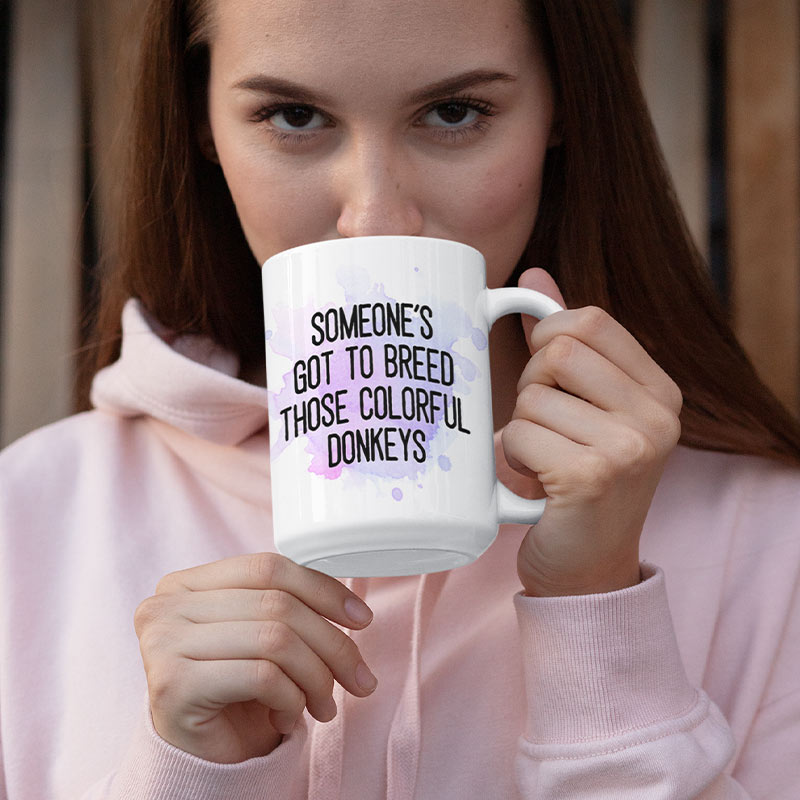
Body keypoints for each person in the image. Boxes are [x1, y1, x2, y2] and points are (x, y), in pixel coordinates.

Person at [1, 0, 799, 797]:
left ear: (561, 109)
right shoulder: (33, 518)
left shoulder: (770, 539)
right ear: (202, 121)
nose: (376, 218)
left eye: (455, 112)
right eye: (294, 114)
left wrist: (597, 615)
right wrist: (189, 776)